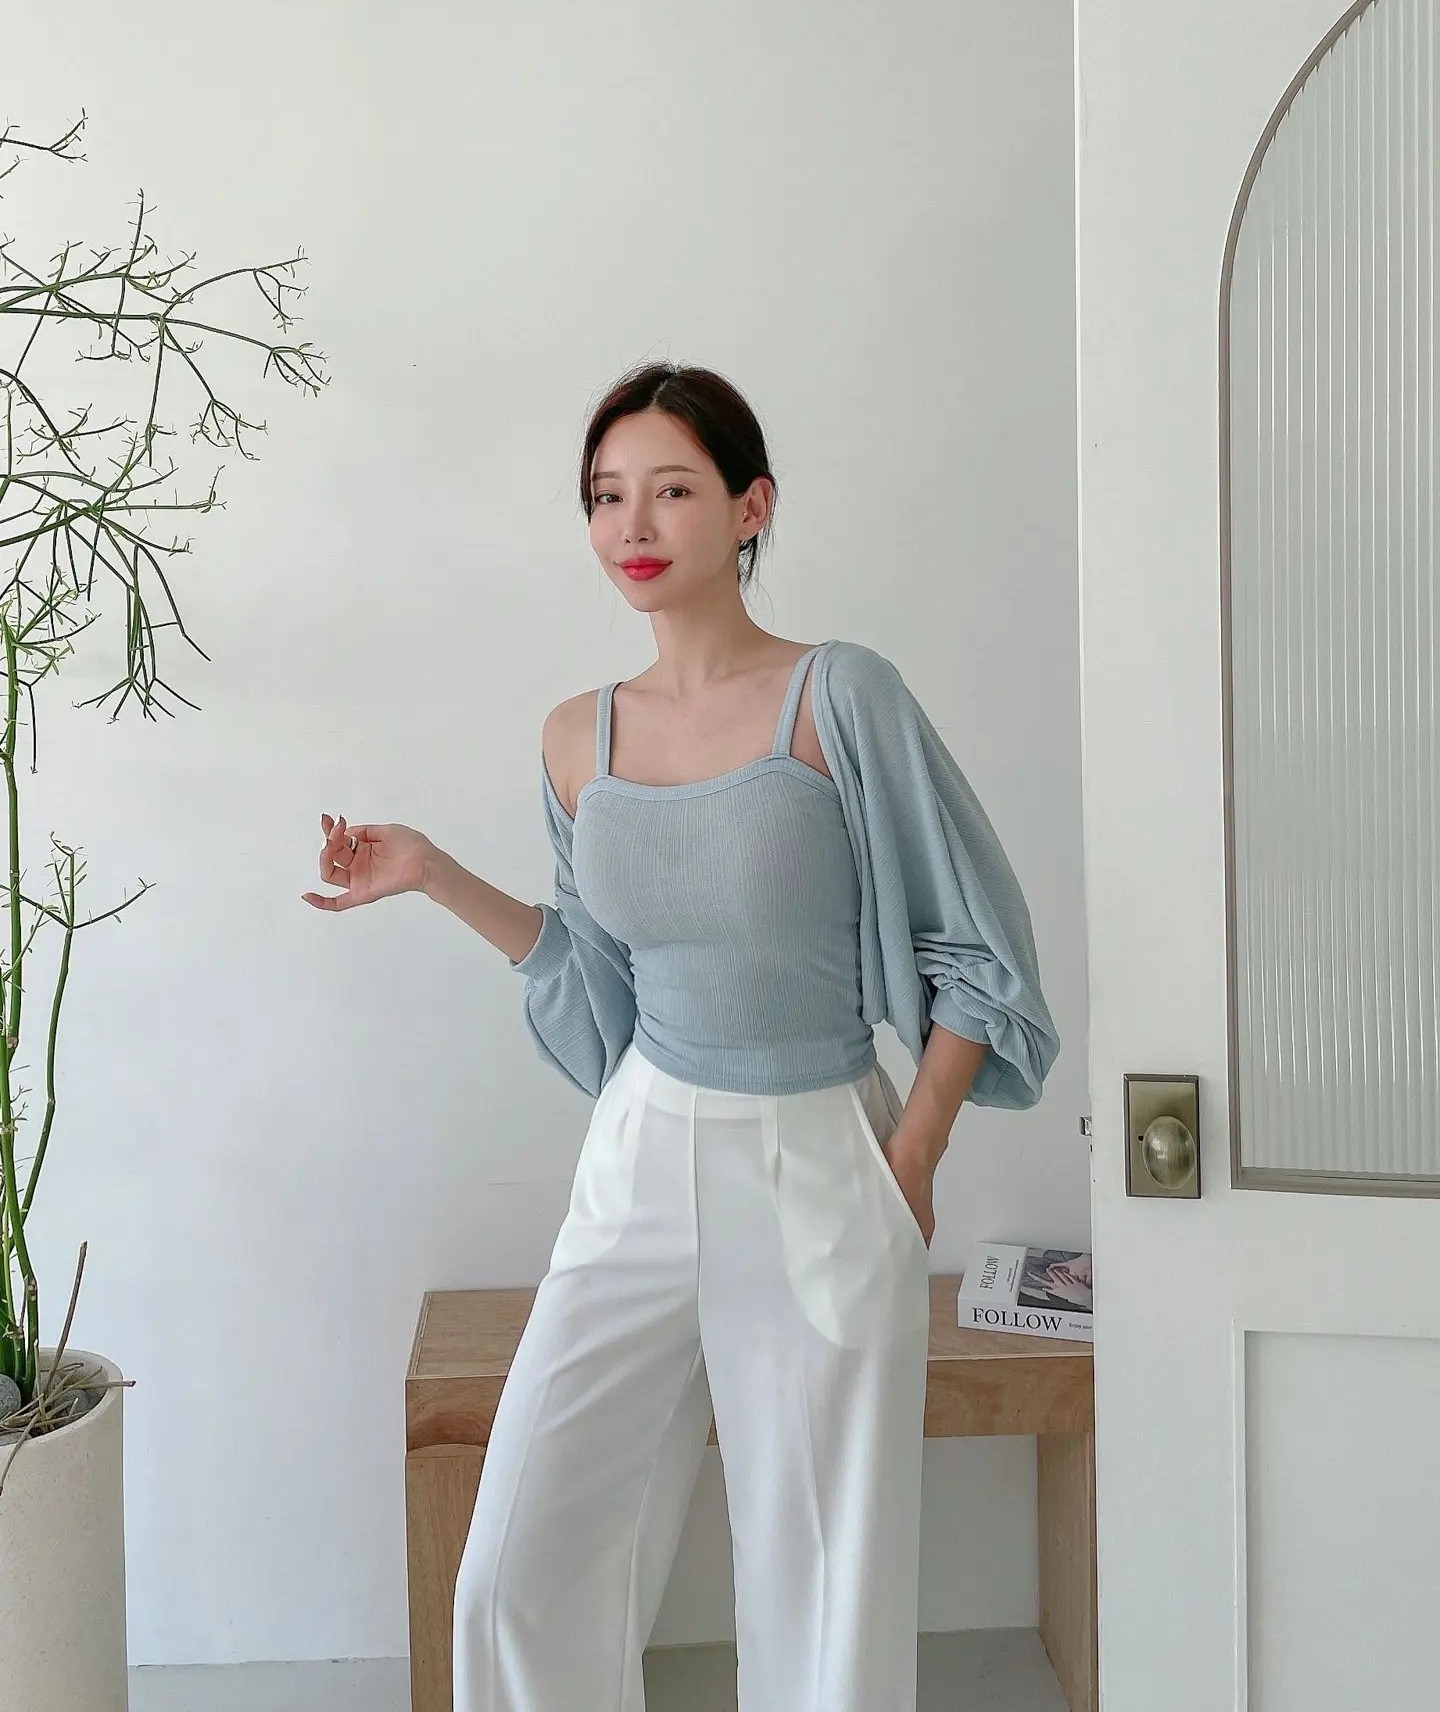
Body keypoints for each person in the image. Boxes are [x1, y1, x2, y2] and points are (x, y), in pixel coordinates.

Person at [302, 362, 1060, 1711]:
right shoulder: (575, 739)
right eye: (605, 497)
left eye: (671, 490)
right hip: (640, 1149)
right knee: (514, 1573)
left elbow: (978, 946)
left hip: (822, 1152)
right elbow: (596, 986)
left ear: (750, 507)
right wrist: (429, 873)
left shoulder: (840, 697)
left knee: (822, 1587)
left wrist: (913, 1154)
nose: (633, 526)